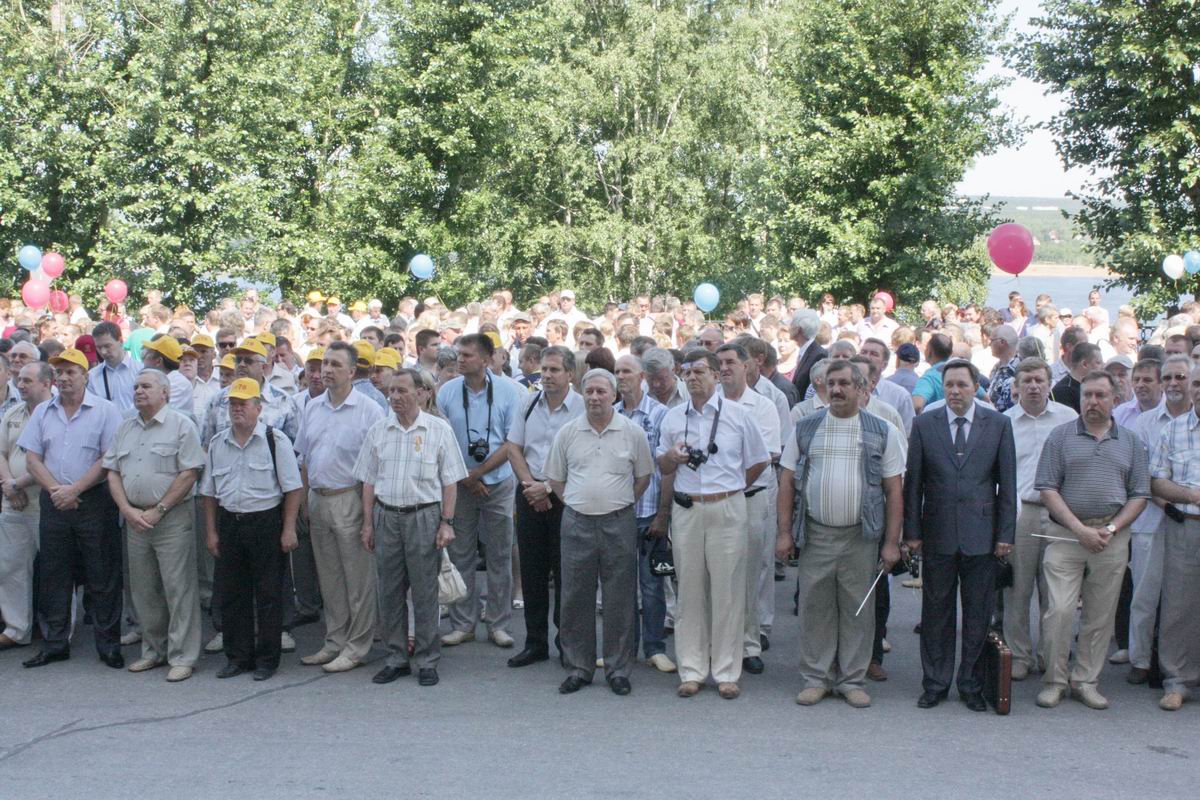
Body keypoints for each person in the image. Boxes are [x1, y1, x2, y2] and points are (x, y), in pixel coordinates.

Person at [777, 360, 905, 708]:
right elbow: (786, 482)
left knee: (857, 610)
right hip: (816, 534)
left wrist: (891, 543)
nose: (836, 389)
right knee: (814, 608)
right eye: (831, 383)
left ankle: (851, 680)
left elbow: (894, 490)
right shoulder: (805, 428)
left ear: (861, 389)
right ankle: (816, 679)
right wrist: (784, 533)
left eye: (844, 383)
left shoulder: (883, 431)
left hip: (860, 537)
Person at [904, 359, 1017, 711]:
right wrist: (912, 532)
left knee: (977, 614)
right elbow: (913, 484)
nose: (955, 391)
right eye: (949, 385)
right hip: (937, 533)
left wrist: (1005, 534)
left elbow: (1007, 485)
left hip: (982, 535)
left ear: (975, 388)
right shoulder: (924, 424)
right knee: (936, 613)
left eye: (962, 385)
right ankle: (935, 683)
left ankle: (971, 684)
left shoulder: (998, 424)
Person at [657, 348, 770, 699]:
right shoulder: (673, 417)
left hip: (727, 507)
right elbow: (662, 466)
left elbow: (759, 461)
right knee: (689, 591)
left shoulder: (738, 415)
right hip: (688, 509)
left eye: (699, 371)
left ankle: (726, 672)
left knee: (728, 592)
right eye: (687, 373)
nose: (692, 378)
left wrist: (731, 488)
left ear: (716, 376)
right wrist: (671, 457)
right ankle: (691, 670)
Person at [1034, 370, 1150, 710]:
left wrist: (1111, 529)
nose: (1093, 402)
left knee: (1100, 615)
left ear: (1115, 400)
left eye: (1100, 395)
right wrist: (1078, 529)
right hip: (1065, 536)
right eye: (1087, 395)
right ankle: (1055, 681)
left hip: (1110, 538)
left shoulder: (1131, 442)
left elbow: (1139, 494)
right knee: (1059, 610)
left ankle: (1085, 681)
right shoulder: (1060, 437)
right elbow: (1047, 488)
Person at [356, 369, 466, 687]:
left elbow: (450, 481)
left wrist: (446, 522)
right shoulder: (379, 430)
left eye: (402, 391)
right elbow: (368, 481)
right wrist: (367, 523)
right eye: (391, 391)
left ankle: (427, 660)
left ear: (420, 393)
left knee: (425, 591)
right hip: (386, 515)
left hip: (423, 516)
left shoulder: (438, 430)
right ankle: (396, 658)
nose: (394, 397)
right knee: (389, 591)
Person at [546, 369, 653, 696]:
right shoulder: (568, 432)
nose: (594, 397)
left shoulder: (632, 432)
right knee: (575, 596)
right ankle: (579, 667)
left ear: (614, 395)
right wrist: (577, 503)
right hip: (576, 522)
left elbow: (643, 477)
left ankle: (618, 669)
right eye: (589, 391)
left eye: (601, 392)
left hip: (618, 522)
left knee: (620, 597)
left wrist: (618, 502)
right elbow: (556, 479)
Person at [19, 348, 125, 670]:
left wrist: (75, 490)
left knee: (102, 574)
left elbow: (108, 459)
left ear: (85, 376)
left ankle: (108, 645)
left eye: (71, 372)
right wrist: (57, 491)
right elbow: (32, 459)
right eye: (59, 373)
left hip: (93, 501)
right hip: (54, 501)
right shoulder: (43, 412)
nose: (63, 378)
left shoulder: (105, 410)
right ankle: (55, 643)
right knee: (54, 574)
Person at [103, 369, 205, 682]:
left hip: (171, 518)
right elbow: (112, 471)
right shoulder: (125, 427)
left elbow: (190, 473)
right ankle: (153, 651)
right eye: (136, 386)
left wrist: (159, 510)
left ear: (165, 392)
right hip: (134, 520)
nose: (138, 391)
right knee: (144, 589)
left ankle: (182, 656)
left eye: (146, 386)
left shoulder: (181, 425)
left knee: (178, 588)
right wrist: (126, 509)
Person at [200, 378, 303, 681]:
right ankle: (238, 657)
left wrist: (288, 529)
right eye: (233, 404)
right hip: (230, 522)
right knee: (233, 594)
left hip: (266, 522)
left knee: (269, 594)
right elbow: (209, 493)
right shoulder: (218, 443)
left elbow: (293, 488)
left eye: (243, 404)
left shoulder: (275, 440)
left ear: (258, 408)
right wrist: (211, 532)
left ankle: (267, 660)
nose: (237, 409)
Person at [294, 341, 385, 673]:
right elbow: (305, 458)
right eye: (325, 363)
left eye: (335, 364)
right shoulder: (312, 407)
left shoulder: (369, 410)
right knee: (330, 579)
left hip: (351, 498)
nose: (327, 370)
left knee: (358, 579)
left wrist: (368, 515)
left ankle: (357, 646)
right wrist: (305, 501)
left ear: (352, 371)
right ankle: (334, 641)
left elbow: (376, 466)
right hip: (318, 499)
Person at [436, 333, 524, 648]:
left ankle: (498, 624)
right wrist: (466, 477)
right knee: (461, 554)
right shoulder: (447, 391)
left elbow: (512, 441)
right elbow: (442, 439)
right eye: (459, 354)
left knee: (499, 555)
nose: (460, 359)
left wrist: (480, 473)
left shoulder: (510, 391)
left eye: (467, 355)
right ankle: (463, 624)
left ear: (485, 360)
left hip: (497, 482)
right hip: (459, 485)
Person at [505, 346, 583, 667]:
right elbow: (513, 448)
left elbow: (583, 458)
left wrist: (547, 488)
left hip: (565, 497)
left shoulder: (581, 407)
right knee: (532, 570)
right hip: (529, 495)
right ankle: (535, 642)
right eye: (544, 370)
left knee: (566, 573)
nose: (547, 376)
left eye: (554, 370)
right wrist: (530, 487)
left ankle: (567, 644)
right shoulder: (528, 403)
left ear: (570, 374)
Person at [1001, 358, 1078, 681]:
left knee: (1055, 592)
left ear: (1049, 384)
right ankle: (1019, 656)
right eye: (1027, 381)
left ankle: (1051, 654)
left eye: (1039, 380)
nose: (1033, 386)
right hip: (1021, 512)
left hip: (1059, 513)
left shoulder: (1068, 418)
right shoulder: (1003, 422)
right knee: (1017, 591)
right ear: (1016, 386)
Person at [716, 343, 780, 675]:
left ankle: (749, 644)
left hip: (750, 497)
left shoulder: (763, 406)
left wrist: (727, 480)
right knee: (717, 573)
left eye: (730, 362)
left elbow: (763, 456)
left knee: (750, 574)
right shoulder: (708, 403)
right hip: (714, 500)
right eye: (720, 363)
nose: (725, 368)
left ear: (746, 366)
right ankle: (720, 644)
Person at [1125, 356, 1189, 684]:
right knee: (1144, 594)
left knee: (1185, 598)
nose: (1173, 383)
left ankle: (1181, 664)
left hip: (1191, 522)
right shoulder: (1145, 423)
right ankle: (1139, 660)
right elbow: (1141, 476)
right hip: (1150, 520)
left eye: (1180, 377)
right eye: (1168, 377)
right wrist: (1168, 503)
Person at [613, 353, 676, 673]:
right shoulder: (610, 414)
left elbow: (668, 469)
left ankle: (654, 647)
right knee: (620, 587)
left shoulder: (662, 415)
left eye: (627, 371)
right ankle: (623, 649)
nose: (621, 377)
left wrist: (663, 514)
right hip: (617, 512)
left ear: (642, 378)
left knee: (652, 586)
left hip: (650, 511)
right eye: (617, 371)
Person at [1149, 362, 1200, 711]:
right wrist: (1193, 495)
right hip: (1186, 525)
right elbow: (1157, 481)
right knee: (1178, 606)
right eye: (1197, 384)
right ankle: (1177, 681)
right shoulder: (1174, 429)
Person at [0, 362, 53, 651]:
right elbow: (1, 452)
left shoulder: (58, 414)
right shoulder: (13, 413)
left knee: (55, 570)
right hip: (13, 504)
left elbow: (53, 460)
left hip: (45, 504)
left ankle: (57, 631)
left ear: (46, 383)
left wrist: (17, 484)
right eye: (18, 379)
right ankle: (16, 629)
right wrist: (8, 485)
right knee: (10, 568)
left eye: (27, 380)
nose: (20, 385)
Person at [90, 320, 142, 412]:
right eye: (99, 347)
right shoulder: (92, 376)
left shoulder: (141, 370)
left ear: (121, 340)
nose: (103, 352)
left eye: (107, 346)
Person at [1050, 342, 1103, 413]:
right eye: (1098, 363)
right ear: (1084, 364)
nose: (1103, 367)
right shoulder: (1063, 391)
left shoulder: (1090, 387)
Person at [789, 310, 827, 400]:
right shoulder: (805, 351)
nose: (789, 326)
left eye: (792, 323)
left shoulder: (819, 355)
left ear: (799, 329)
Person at [986, 325, 1021, 413]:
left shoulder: (1019, 368)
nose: (989, 344)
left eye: (991, 340)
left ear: (1002, 342)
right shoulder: (997, 367)